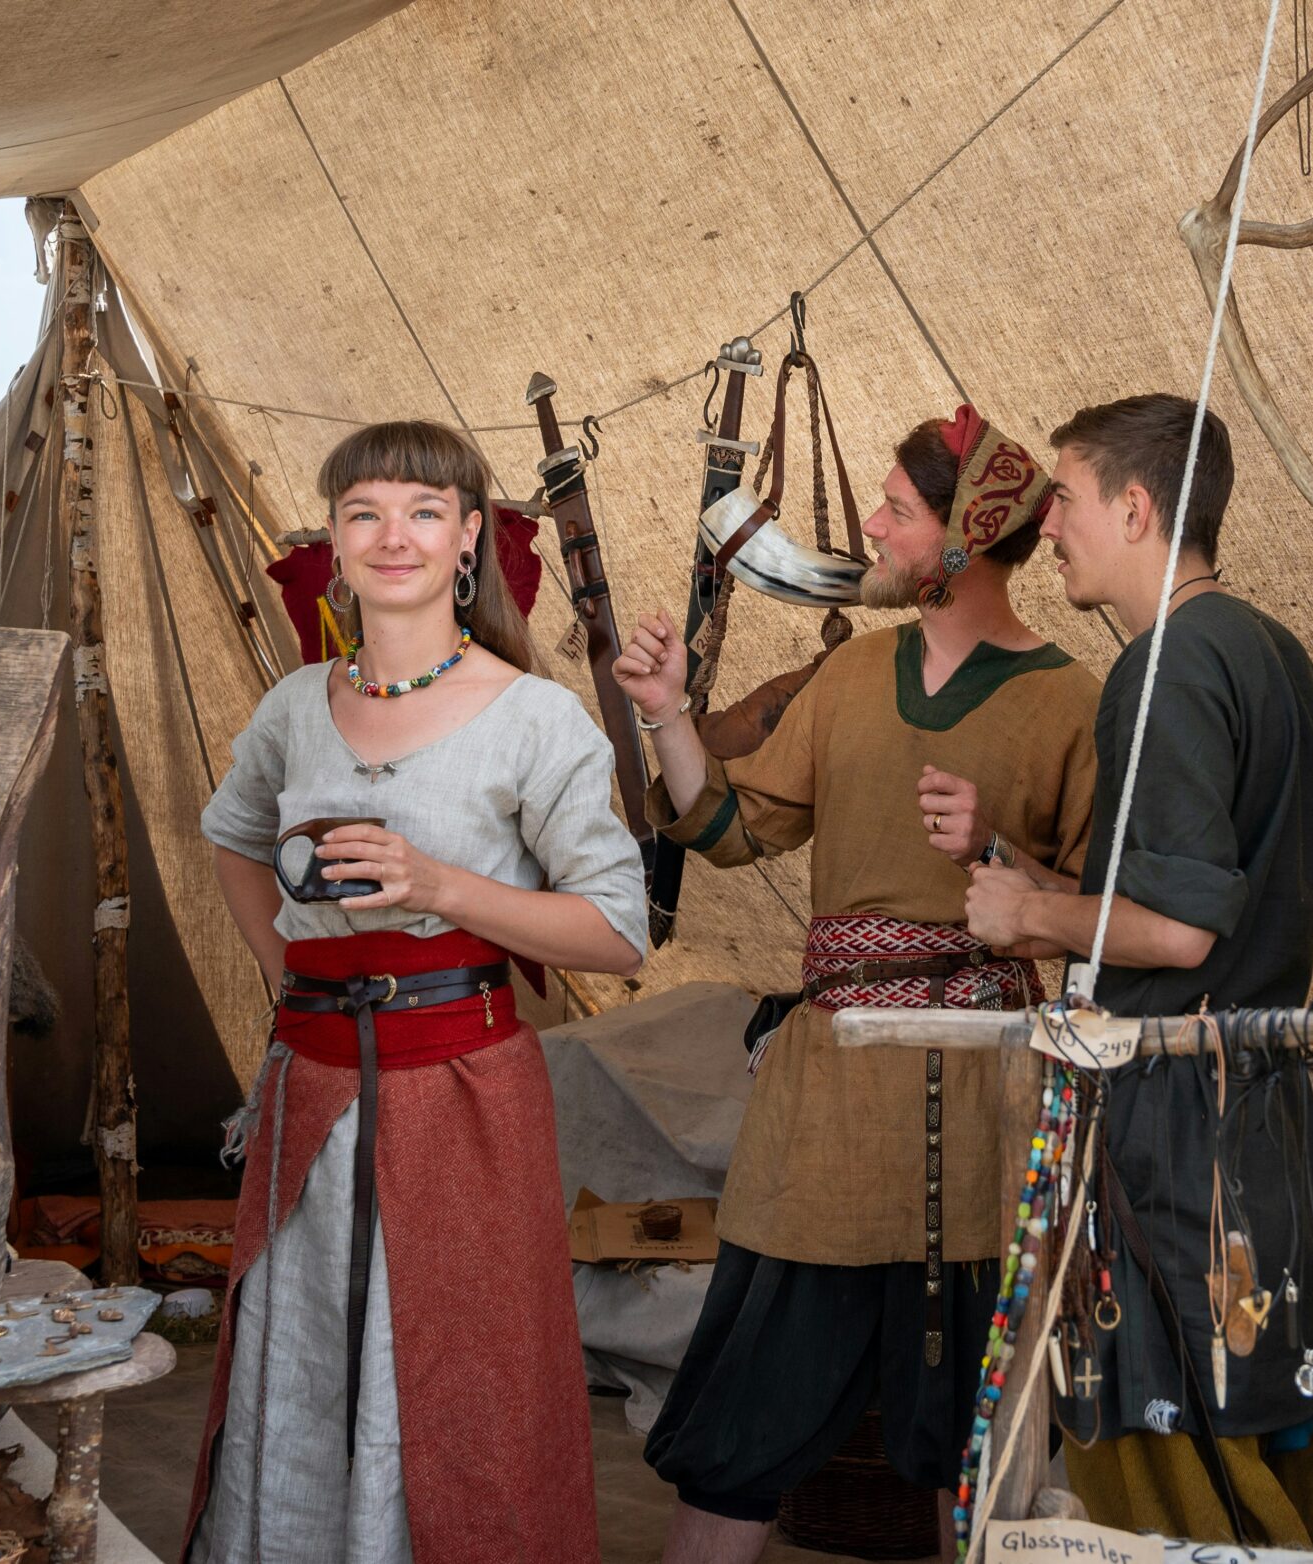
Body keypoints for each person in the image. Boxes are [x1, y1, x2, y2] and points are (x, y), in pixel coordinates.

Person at [613, 404, 1101, 1563]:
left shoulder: (1072, 703)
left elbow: (1093, 911)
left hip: (983, 1107)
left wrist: (994, 854)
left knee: (969, 1439)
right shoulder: (852, 673)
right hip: (827, 1103)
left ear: (966, 538)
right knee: (741, 1423)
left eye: (897, 509)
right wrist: (669, 714)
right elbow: (733, 827)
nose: (872, 527)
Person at [187, 420, 647, 1564]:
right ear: (335, 544)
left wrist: (441, 885)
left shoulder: (533, 715)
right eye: (365, 513)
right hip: (311, 1089)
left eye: (425, 511)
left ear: (468, 540)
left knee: (459, 1378)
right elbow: (234, 834)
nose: (395, 535)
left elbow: (616, 932)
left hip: (463, 1096)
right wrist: (286, 970)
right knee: (298, 1362)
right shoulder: (297, 705)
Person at [960, 394, 1313, 1546]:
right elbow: (1210, 902)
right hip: (1253, 1106)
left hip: (1176, 1125)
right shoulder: (1271, 653)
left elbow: (1177, 933)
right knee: (1259, 1415)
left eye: (1067, 499)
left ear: (1134, 506)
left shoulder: (1165, 666)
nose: (1052, 526)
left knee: (1169, 1448)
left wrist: (1031, 908)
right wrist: (1042, 894)